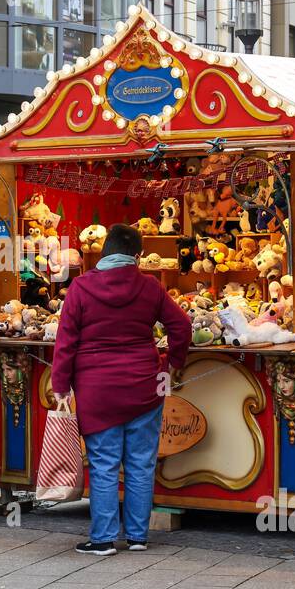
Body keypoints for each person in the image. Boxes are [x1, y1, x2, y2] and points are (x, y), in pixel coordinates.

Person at [50, 223, 191, 556]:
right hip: (144, 386)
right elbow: (182, 325)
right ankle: (138, 537)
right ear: (138, 256)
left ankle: (103, 539)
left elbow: (66, 342)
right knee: (141, 463)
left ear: (102, 252)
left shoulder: (80, 289)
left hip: (97, 391)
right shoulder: (151, 287)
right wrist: (173, 361)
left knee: (104, 464)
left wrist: (60, 385)